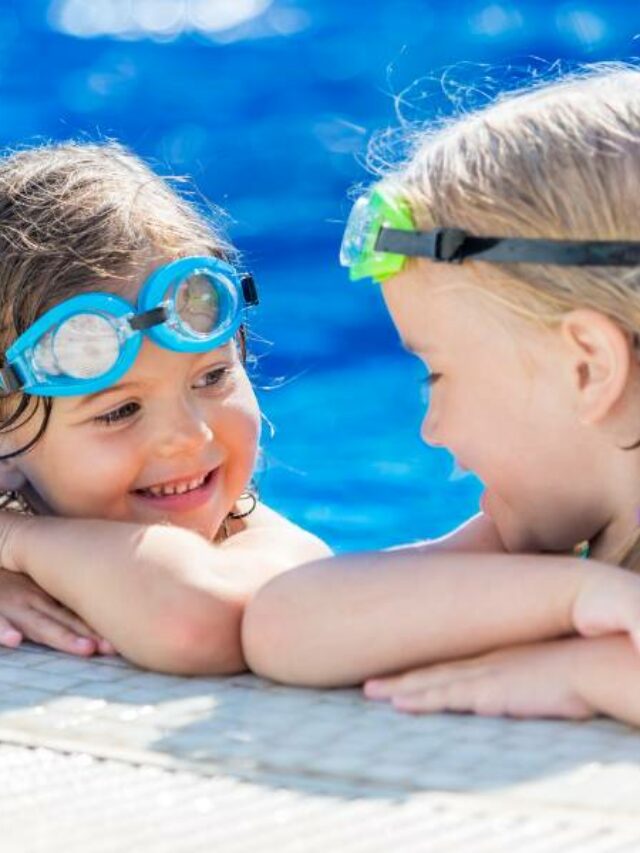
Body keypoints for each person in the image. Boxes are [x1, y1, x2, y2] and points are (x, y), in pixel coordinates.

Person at [242, 66, 640, 726]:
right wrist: (574, 595)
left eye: (438, 375)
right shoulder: (557, 551)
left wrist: (592, 674)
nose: (430, 429)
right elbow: (282, 624)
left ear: (587, 368)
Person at [0, 140, 329, 674]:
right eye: (120, 411)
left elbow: (194, 624)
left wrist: (15, 541)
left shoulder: (273, 554)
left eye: (214, 376)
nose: (189, 436)